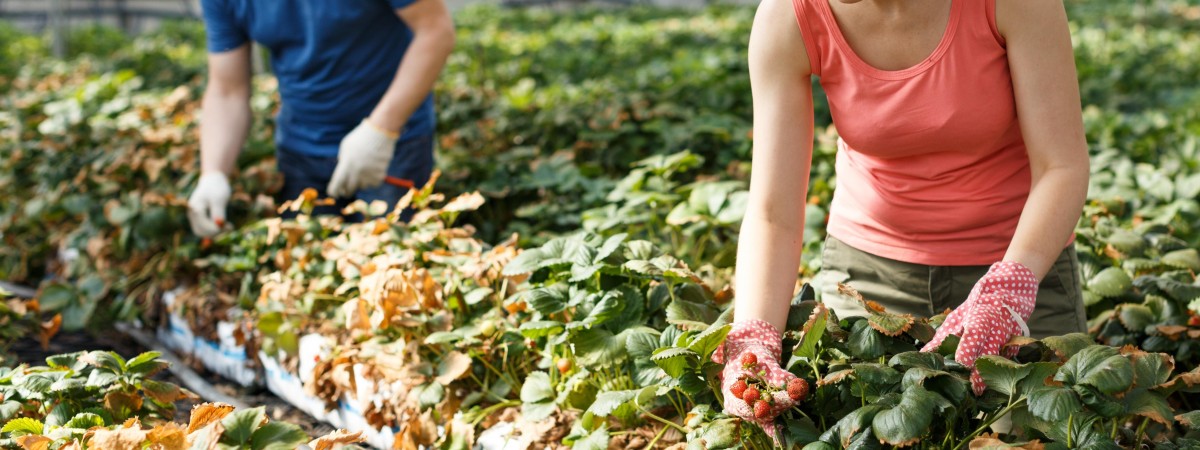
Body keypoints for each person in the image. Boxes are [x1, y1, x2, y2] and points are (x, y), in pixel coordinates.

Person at [717, 0, 1089, 438]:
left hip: (1023, 265)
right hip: (870, 280)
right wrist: (754, 336)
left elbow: (1062, 167)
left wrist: (1007, 291)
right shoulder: (790, 15)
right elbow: (773, 211)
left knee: (1026, 435)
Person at [186, 0, 456, 236]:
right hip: (301, 151)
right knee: (308, 270)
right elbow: (227, 89)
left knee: (392, 272)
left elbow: (435, 32)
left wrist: (381, 129)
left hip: (394, 147)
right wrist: (214, 173)